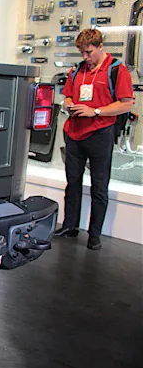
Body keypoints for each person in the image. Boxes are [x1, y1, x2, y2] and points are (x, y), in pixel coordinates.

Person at [55, 29, 134, 250]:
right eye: (82, 52)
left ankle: (94, 235)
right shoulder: (77, 70)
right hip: (74, 133)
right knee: (73, 182)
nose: (85, 57)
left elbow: (126, 103)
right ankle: (70, 226)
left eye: (89, 52)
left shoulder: (116, 70)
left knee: (99, 186)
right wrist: (70, 105)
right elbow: (68, 95)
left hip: (100, 133)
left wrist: (96, 111)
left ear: (100, 47)